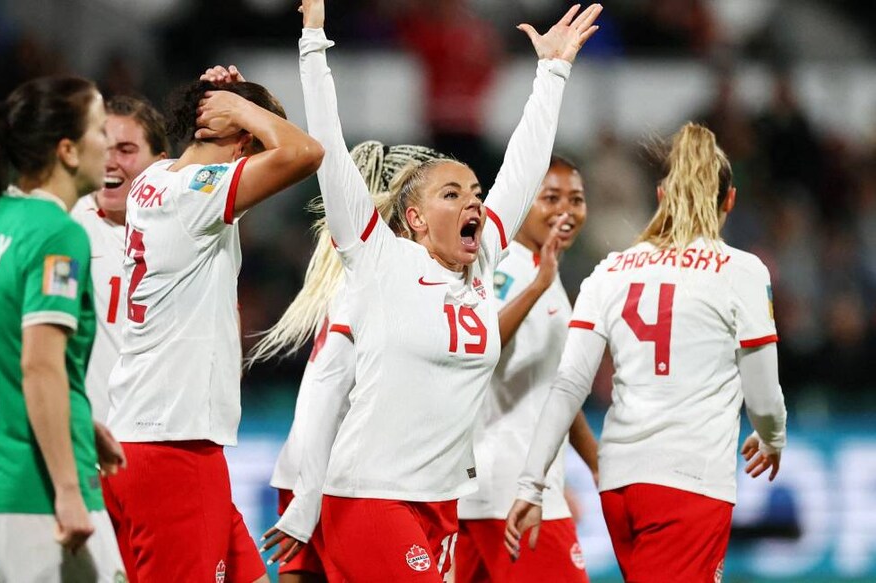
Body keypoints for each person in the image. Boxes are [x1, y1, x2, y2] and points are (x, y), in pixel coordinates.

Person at [297, 1, 600, 580]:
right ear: (414, 218)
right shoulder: (379, 260)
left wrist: (553, 72)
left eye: (476, 193)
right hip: (370, 495)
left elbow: (524, 167)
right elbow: (330, 151)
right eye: (452, 194)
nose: (474, 203)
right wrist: (314, 43)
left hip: (442, 505)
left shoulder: (482, 262)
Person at [506, 123, 788, 583]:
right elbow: (763, 396)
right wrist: (772, 437)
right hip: (688, 482)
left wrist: (531, 482)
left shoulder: (610, 271)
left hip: (620, 485)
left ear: (660, 196)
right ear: (730, 200)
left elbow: (569, 384)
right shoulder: (742, 271)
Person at [101, 62, 324, 581]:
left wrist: (221, 97)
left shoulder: (155, 179)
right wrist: (241, 106)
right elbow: (304, 153)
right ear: (245, 142)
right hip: (173, 444)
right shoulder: (196, 194)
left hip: (153, 435)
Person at [0, 76, 128, 582]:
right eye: (99, 129)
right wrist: (67, 490)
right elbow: (39, 364)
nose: (108, 143)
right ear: (68, 150)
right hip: (32, 498)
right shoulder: (57, 233)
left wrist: (79, 422)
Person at [255, 141, 450, 583]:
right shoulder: (378, 285)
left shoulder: (366, 277)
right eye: (443, 196)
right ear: (412, 214)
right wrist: (309, 498)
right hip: (346, 482)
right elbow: (325, 390)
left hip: (317, 471)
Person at [456, 156, 598, 583]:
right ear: (522, 202)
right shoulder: (506, 267)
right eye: (550, 198)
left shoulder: (542, 267)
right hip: (511, 487)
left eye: (576, 199)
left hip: (497, 488)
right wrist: (536, 288)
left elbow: (555, 389)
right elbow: (478, 346)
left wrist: (596, 463)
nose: (566, 210)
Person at [70, 95, 169, 422]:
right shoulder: (67, 222)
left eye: (126, 150)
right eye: (102, 147)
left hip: (152, 432)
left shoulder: (181, 234)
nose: (109, 162)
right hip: (81, 434)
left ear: (160, 164)